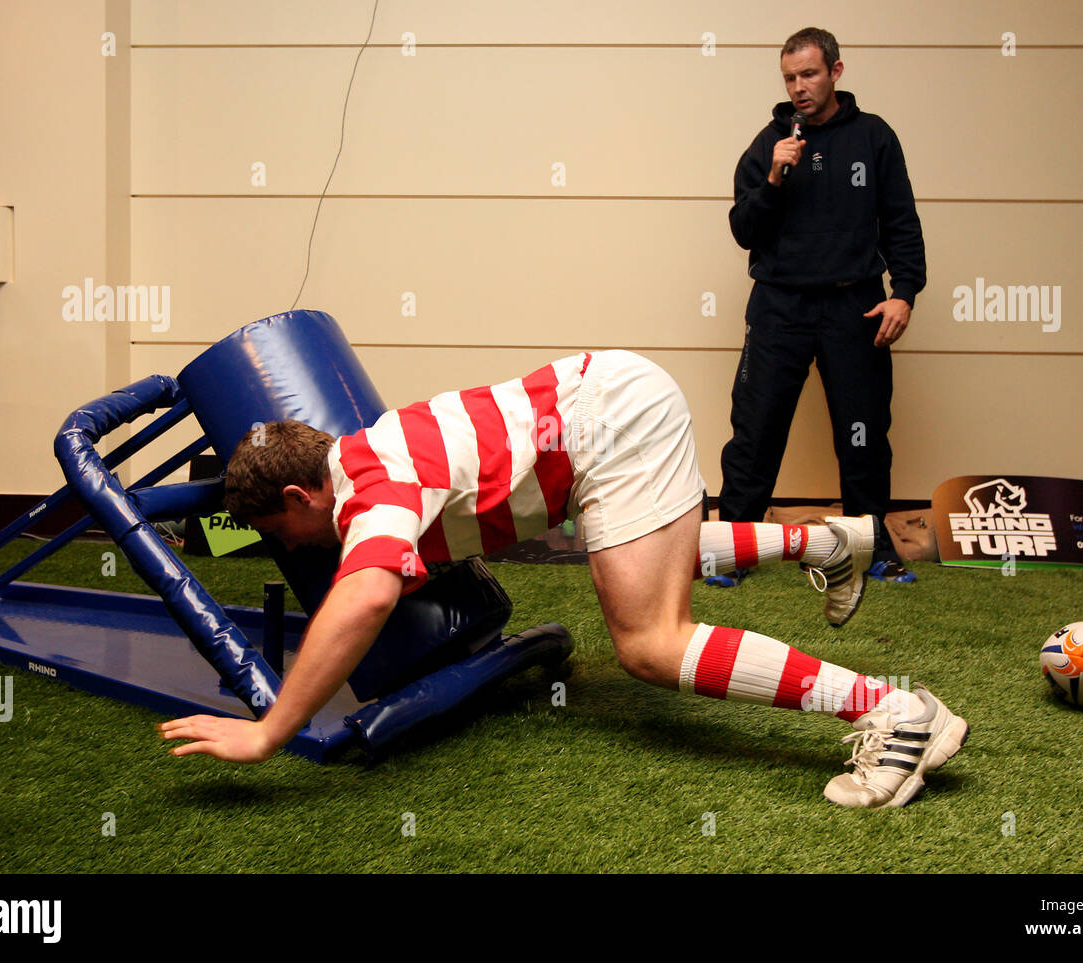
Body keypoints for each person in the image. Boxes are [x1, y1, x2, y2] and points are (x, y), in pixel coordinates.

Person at [159, 350, 966, 808]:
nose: (286, 547)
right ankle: (825, 544)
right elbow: (387, 573)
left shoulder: (374, 492)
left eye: (278, 531)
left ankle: (896, 712)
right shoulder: (370, 454)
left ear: (302, 496)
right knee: (648, 564)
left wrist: (269, 729)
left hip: (610, 425)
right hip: (611, 402)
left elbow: (367, 591)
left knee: (650, 641)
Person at [718, 26, 925, 586]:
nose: (799, 87)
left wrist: (903, 293)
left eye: (809, 74)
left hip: (853, 307)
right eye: (790, 78)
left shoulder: (875, 138)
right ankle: (731, 550)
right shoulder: (769, 143)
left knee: (862, 434)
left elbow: (902, 223)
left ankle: (871, 550)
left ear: (836, 71)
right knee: (756, 430)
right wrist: (773, 179)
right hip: (779, 306)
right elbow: (743, 230)